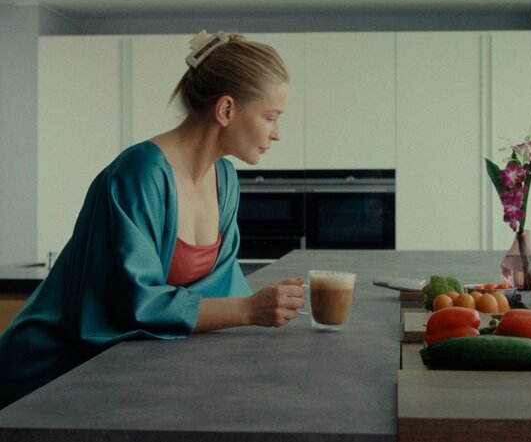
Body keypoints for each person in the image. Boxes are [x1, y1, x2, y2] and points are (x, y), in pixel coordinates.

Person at [0, 30, 305, 409]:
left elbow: (220, 289)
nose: (277, 134)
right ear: (226, 110)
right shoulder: (139, 173)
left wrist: (262, 308)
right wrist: (249, 309)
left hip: (123, 373)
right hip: (52, 375)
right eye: (271, 117)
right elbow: (134, 304)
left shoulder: (224, 179)